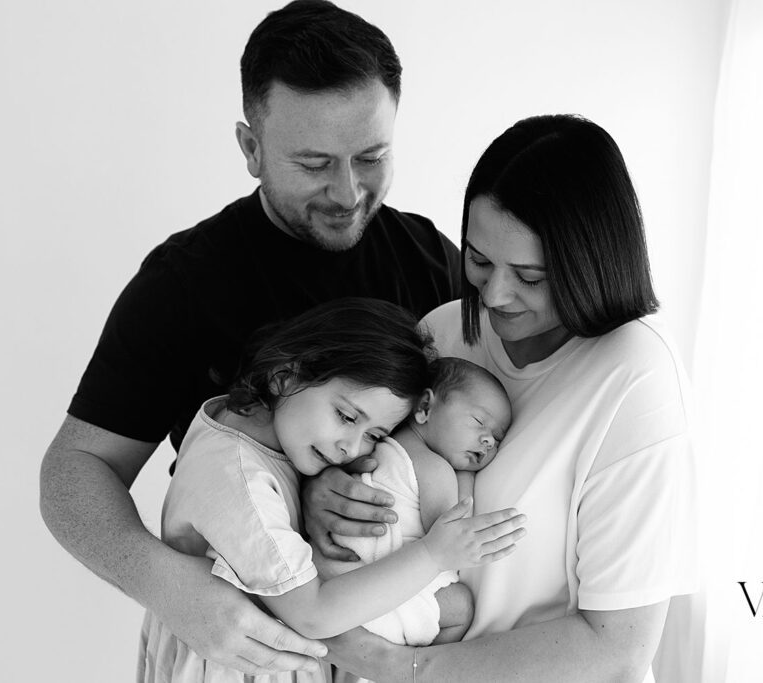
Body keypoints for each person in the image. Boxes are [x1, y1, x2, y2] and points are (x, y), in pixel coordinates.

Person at [39, 1, 460, 676]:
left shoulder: (430, 262)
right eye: (315, 162)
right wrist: (167, 585)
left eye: (372, 156)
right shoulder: (186, 281)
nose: (348, 192)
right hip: (234, 648)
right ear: (250, 148)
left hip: (389, 644)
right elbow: (72, 472)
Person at [304, 114, 699, 682]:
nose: (494, 294)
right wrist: (327, 489)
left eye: (530, 276)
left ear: (591, 264)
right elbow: (369, 449)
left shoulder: (636, 377)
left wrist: (403, 667)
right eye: (480, 260)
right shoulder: (442, 332)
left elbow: (619, 646)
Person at [139, 299, 526, 682]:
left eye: (375, 435)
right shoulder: (240, 485)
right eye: (346, 416)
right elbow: (314, 614)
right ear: (284, 377)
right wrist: (431, 553)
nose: (352, 448)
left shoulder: (248, 421)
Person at [314, 357, 513, 652]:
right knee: (461, 607)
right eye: (479, 422)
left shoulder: (374, 446)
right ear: (424, 408)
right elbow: (453, 537)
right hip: (374, 595)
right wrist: (466, 478)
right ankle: (421, 662)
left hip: (328, 579)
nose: (487, 441)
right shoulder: (435, 469)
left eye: (497, 439)